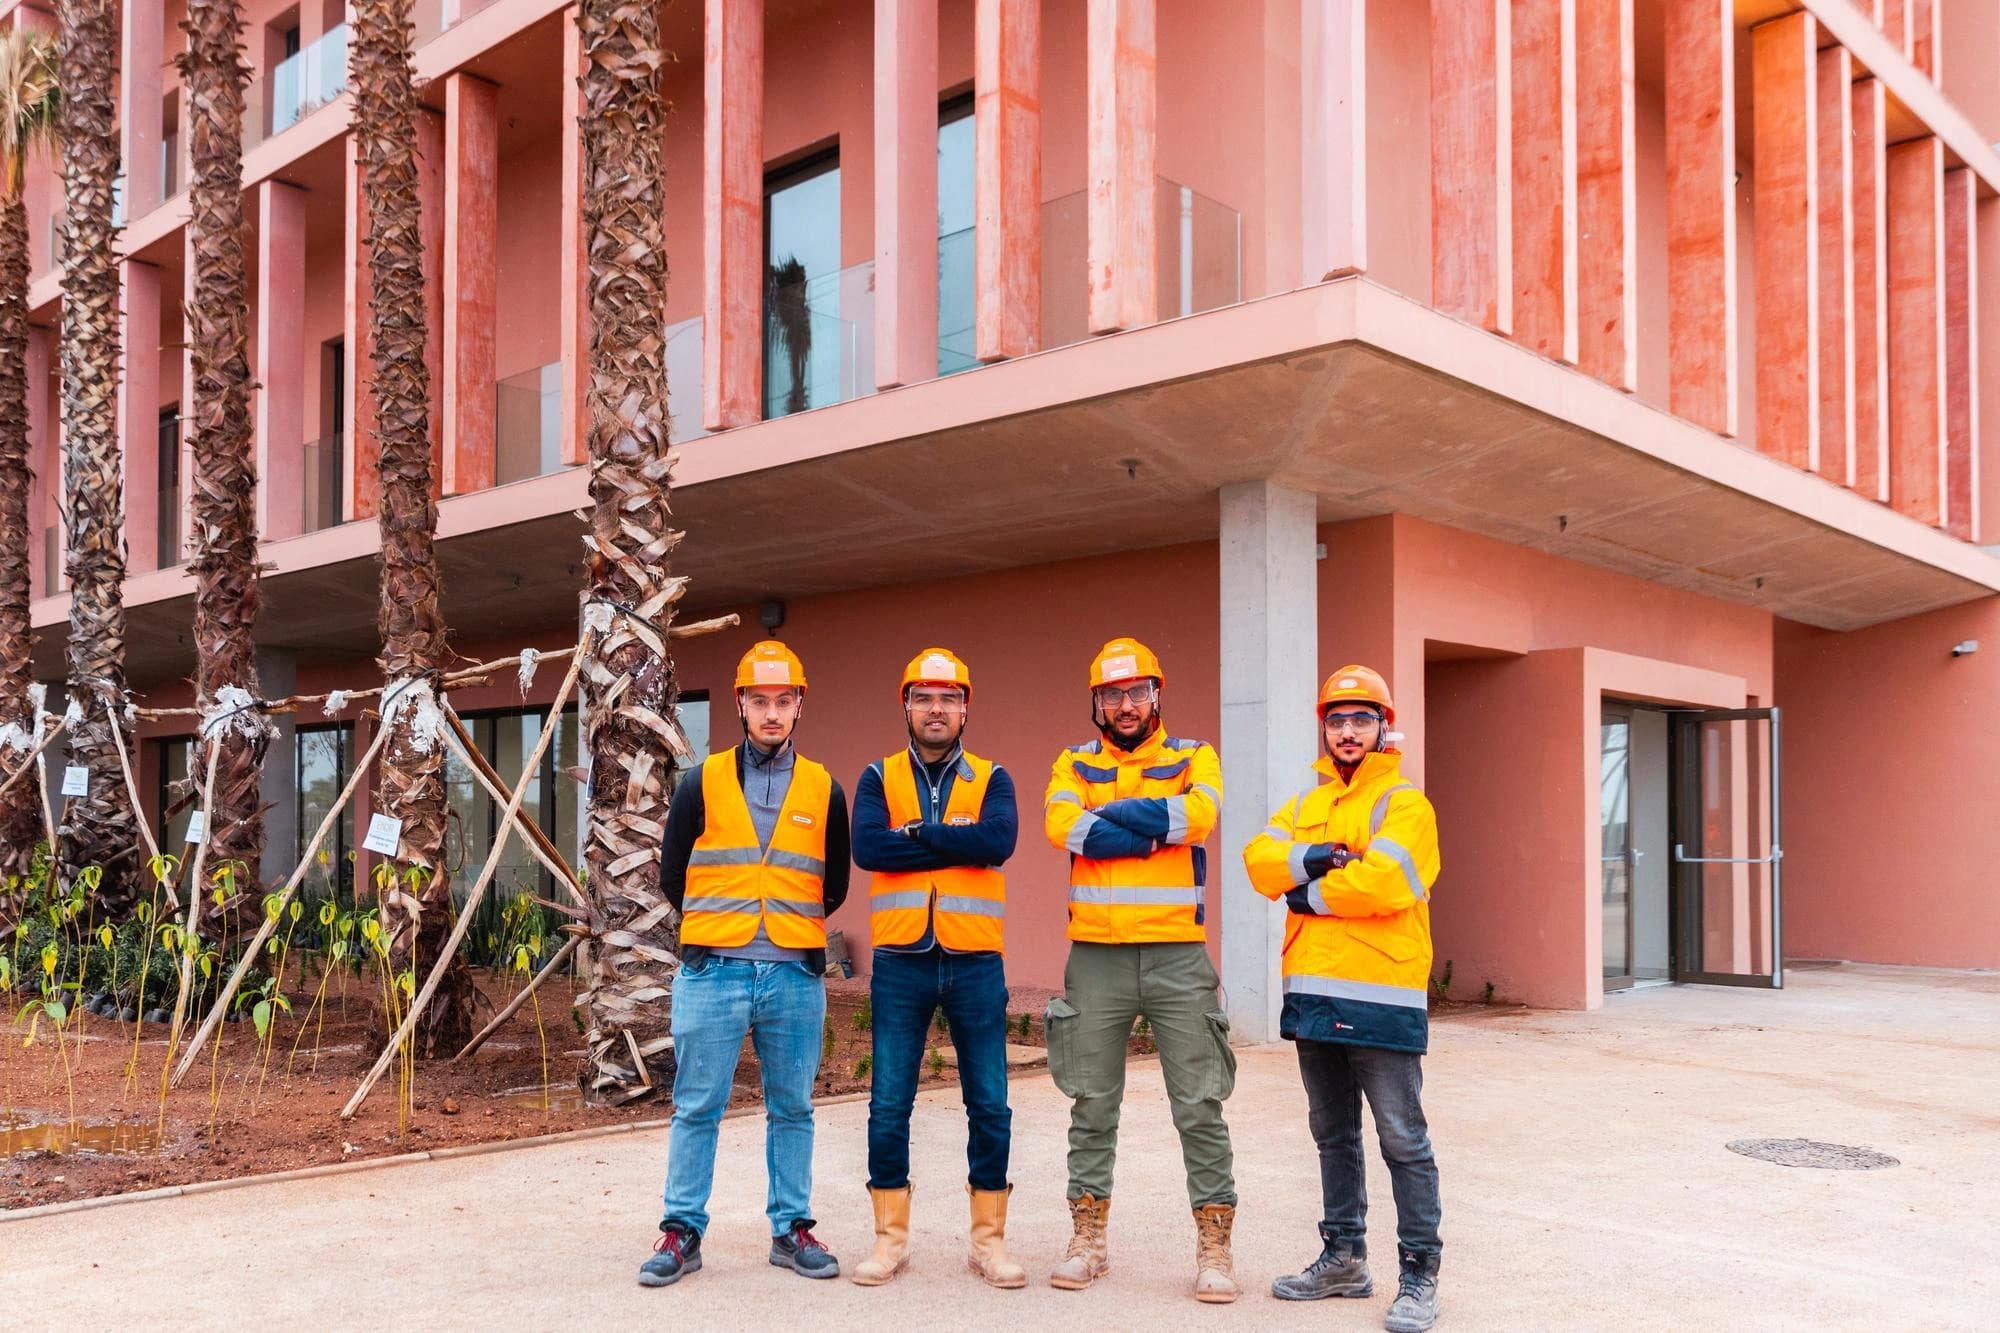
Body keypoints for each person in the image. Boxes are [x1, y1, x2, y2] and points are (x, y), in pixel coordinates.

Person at [639, 640, 850, 1288]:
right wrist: (722, 924)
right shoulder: (699, 781)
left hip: (793, 973)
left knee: (793, 1106)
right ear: (740, 704)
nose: (772, 712)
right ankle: (681, 1231)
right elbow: (673, 873)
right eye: (760, 701)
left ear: (799, 706)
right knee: (696, 1104)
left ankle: (791, 1229)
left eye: (784, 701)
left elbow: (834, 882)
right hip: (714, 972)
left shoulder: (824, 787)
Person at [1242, 665, 1444, 1332]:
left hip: (1382, 999)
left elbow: (1387, 882)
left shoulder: (1406, 804)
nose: (1349, 730)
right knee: (1332, 1135)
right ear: (1325, 727)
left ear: (1383, 725)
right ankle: (1344, 1258)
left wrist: (1306, 890)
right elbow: (1259, 859)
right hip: (1313, 997)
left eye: (1362, 718)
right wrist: (1320, 858)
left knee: (1402, 1140)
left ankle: (1418, 1274)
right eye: (1338, 718)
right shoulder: (1307, 803)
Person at [1041, 637, 1239, 1303]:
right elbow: (1063, 828)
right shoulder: (1071, 761)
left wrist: (1112, 816)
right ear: (1096, 701)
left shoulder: (1194, 755)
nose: (1125, 705)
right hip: (1094, 955)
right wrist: (1160, 829)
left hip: (1178, 954)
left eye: (1136, 692)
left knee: (1200, 1102)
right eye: (1111, 694)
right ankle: (1087, 1237)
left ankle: (1214, 1243)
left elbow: (1202, 813)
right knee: (1091, 1101)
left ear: (1156, 694)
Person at [847, 648, 1025, 1290]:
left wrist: (916, 834)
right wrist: (952, 836)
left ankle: (989, 1242)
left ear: (965, 708)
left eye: (948, 699)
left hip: (976, 960)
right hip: (902, 962)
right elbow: (869, 848)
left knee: (991, 1104)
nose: (936, 710)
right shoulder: (877, 776)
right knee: (889, 1103)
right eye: (924, 698)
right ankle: (889, 1240)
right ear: (906, 705)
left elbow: (998, 842)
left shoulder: (993, 776)